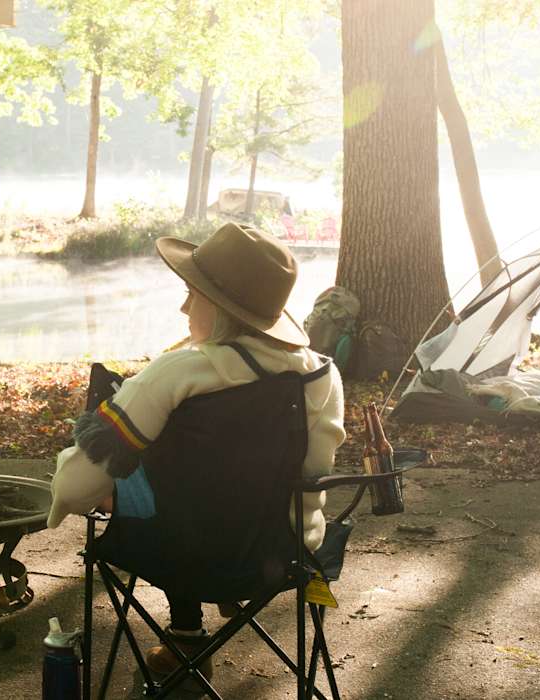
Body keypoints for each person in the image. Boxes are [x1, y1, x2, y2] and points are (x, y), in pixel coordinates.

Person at [46, 222, 347, 681]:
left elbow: (74, 488)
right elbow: (310, 471)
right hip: (281, 554)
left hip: (183, 551)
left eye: (193, 292)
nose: (183, 304)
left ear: (223, 307)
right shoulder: (322, 375)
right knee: (183, 485)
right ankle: (185, 637)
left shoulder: (178, 371)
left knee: (129, 484)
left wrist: (76, 475)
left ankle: (186, 635)